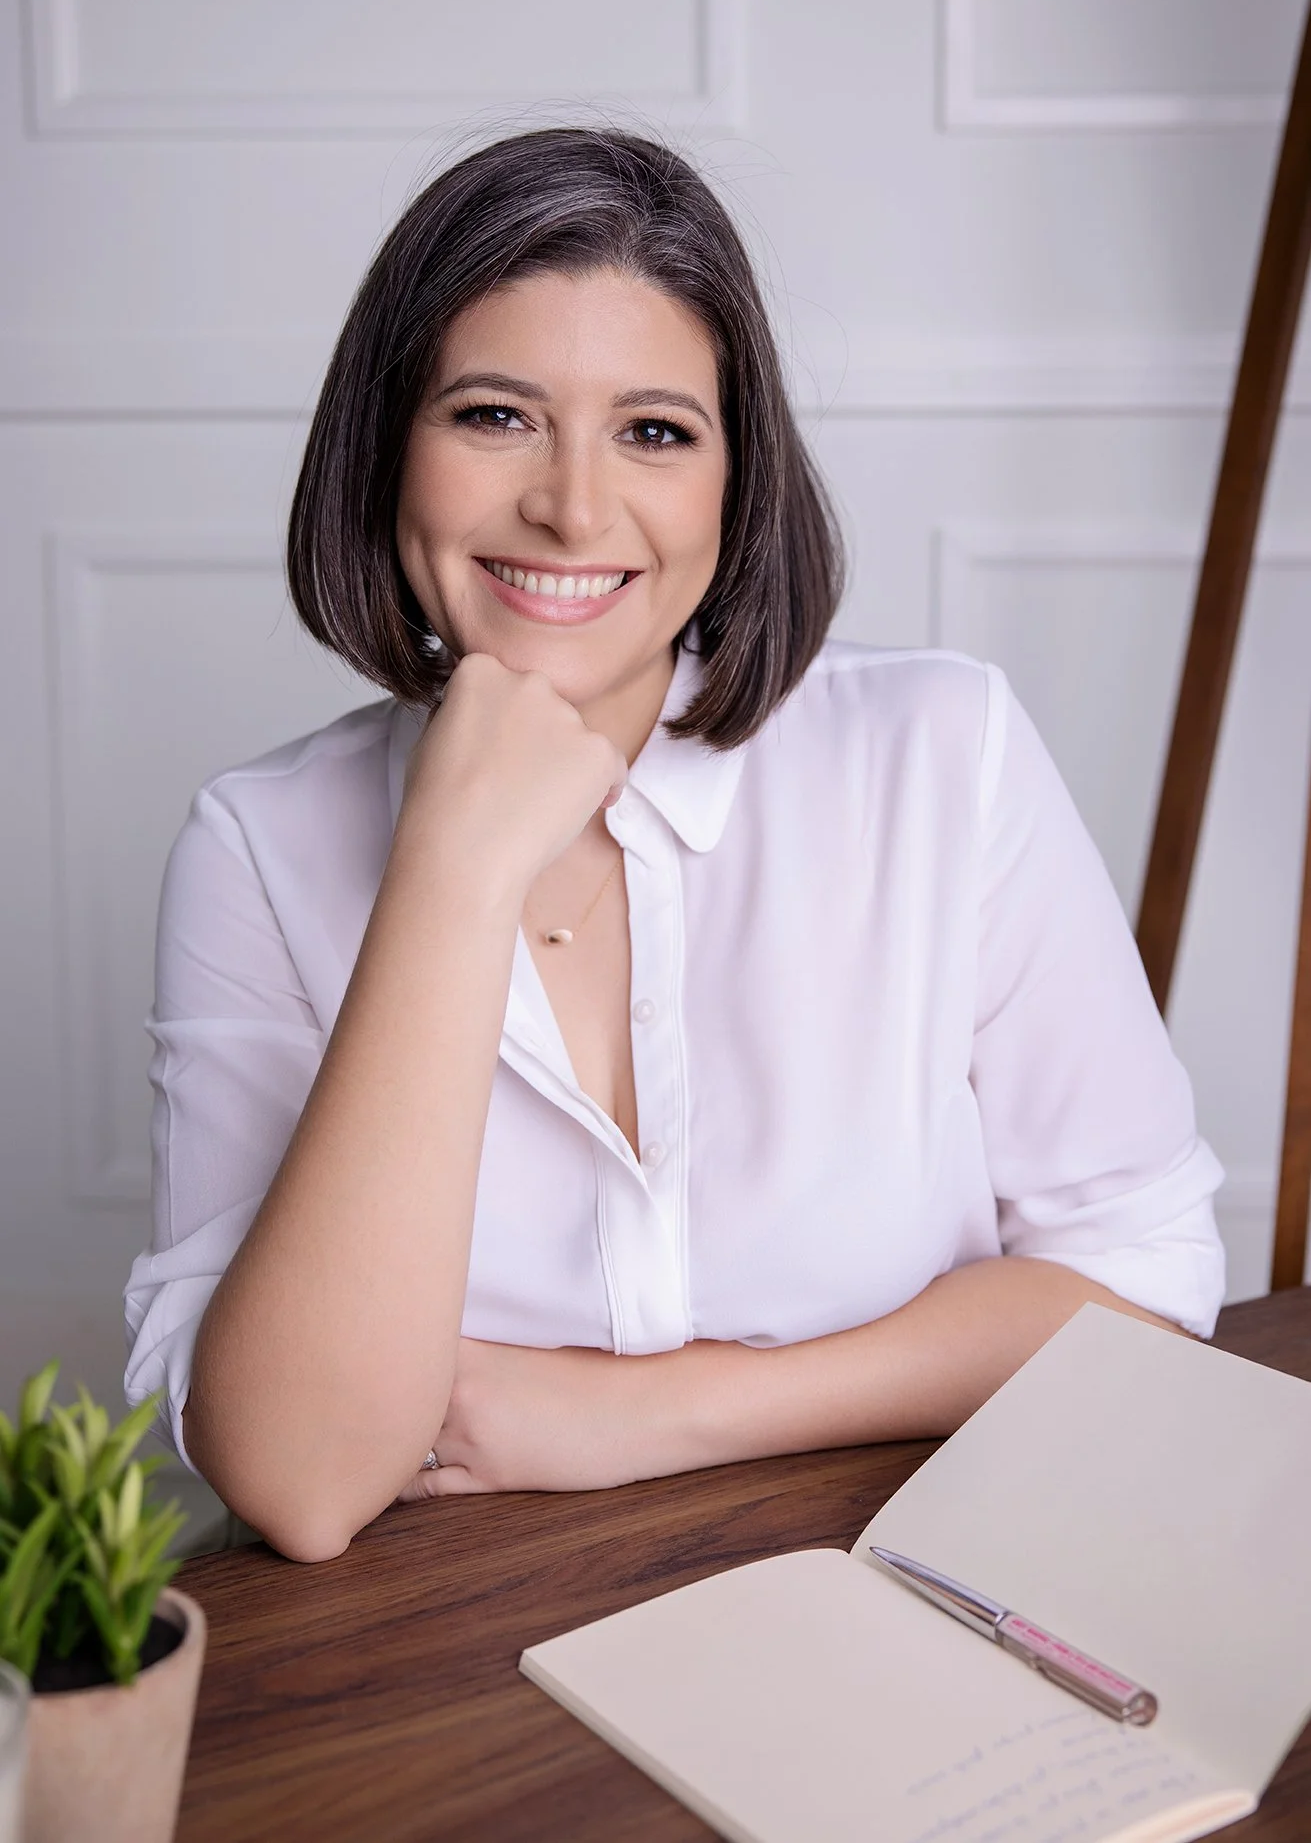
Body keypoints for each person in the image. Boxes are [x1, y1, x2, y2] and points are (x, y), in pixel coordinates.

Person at [123, 127, 1225, 1563]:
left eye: (653, 430)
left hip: (906, 1582)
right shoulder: (256, 847)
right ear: (387, 444)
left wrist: (656, 1412)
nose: (573, 507)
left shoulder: (941, 755)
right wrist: (451, 874)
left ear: (734, 479)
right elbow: (301, 1477)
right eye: (494, 414)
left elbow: (1142, 1267)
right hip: (453, 1675)